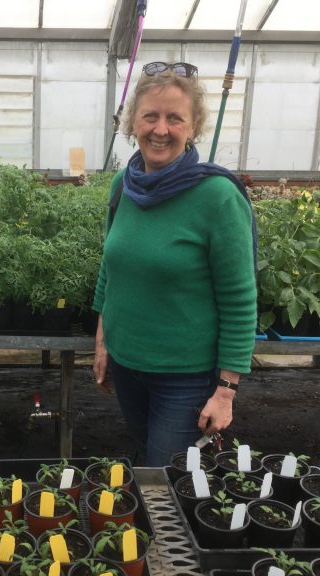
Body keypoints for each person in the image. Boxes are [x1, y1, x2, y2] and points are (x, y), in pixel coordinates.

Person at [92, 61, 257, 467]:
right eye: (150, 116)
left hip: (185, 377)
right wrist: (103, 341)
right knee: (147, 461)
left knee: (166, 477)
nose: (160, 129)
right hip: (127, 365)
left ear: (193, 126)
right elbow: (110, 271)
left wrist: (226, 390)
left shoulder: (217, 197)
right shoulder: (123, 186)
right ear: (133, 122)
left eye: (174, 118)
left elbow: (239, 299)